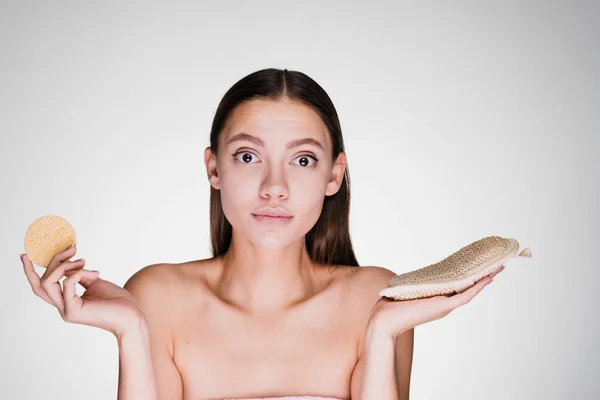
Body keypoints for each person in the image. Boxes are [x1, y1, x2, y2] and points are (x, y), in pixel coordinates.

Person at [21, 68, 503, 400]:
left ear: (334, 176)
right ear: (213, 167)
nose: (274, 188)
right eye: (248, 156)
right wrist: (131, 332)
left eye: (303, 160)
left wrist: (380, 333)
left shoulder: (377, 300)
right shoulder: (156, 297)